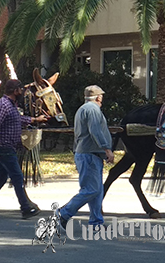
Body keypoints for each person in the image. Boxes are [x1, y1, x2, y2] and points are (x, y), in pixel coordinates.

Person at [0, 79, 48, 219]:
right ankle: (25, 208)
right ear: (15, 91)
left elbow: (16, 120)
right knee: (18, 177)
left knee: (1, 178)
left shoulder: (11, 105)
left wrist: (35, 120)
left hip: (9, 146)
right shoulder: (3, 105)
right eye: (20, 89)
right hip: (4, 147)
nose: (21, 92)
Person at [56, 85, 115, 231]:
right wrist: (107, 148)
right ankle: (63, 213)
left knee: (97, 190)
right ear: (98, 97)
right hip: (89, 154)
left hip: (89, 154)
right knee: (91, 189)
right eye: (101, 96)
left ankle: (96, 222)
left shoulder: (84, 109)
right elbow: (95, 130)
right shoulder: (93, 109)